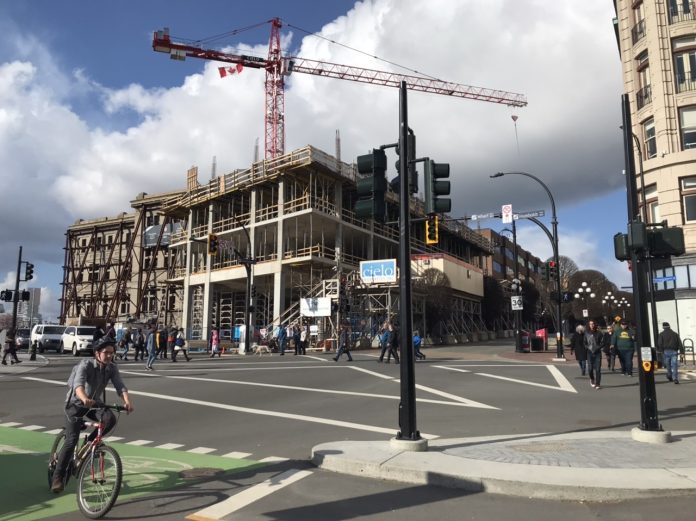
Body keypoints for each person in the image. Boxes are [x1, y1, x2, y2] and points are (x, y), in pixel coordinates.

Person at [50, 337, 134, 493]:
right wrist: (84, 398)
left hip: (94, 404)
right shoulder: (85, 364)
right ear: (97, 353)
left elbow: (119, 385)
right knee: (71, 441)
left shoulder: (111, 368)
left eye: (112, 353)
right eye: (106, 352)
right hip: (75, 405)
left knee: (110, 419)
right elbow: (78, 385)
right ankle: (58, 477)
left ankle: (89, 443)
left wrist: (127, 401)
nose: (109, 356)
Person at [585, 320, 604, 389]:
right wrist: (588, 347)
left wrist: (597, 348)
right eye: (590, 324)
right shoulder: (586, 333)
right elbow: (584, 343)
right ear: (588, 325)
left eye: (593, 324)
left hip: (597, 353)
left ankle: (598, 384)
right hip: (589, 353)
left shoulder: (599, 333)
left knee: (598, 369)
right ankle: (592, 379)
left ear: (595, 325)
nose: (592, 325)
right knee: (590, 369)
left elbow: (603, 343)